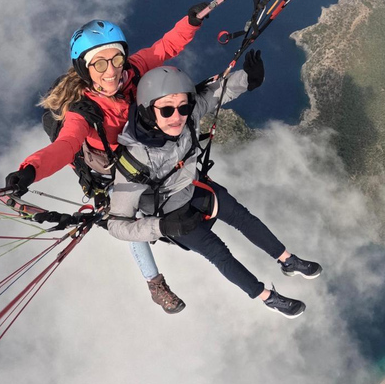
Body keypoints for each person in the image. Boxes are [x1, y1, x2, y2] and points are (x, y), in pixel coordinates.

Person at [5, 5, 208, 314]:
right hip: (112, 171)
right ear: (86, 70)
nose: (111, 71)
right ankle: (155, 284)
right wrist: (30, 170)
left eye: (115, 59)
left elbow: (165, 47)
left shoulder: (133, 71)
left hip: (141, 152)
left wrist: (191, 22)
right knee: (125, 222)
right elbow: (66, 145)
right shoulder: (85, 111)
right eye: (99, 64)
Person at [106, 53, 322, 318]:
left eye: (183, 107)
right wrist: (159, 227)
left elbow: (215, 94)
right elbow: (116, 225)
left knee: (243, 217)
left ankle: (287, 259)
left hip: (192, 188)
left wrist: (249, 79)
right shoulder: (136, 159)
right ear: (148, 111)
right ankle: (268, 297)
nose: (178, 117)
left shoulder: (186, 117)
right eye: (167, 110)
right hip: (168, 215)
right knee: (219, 253)